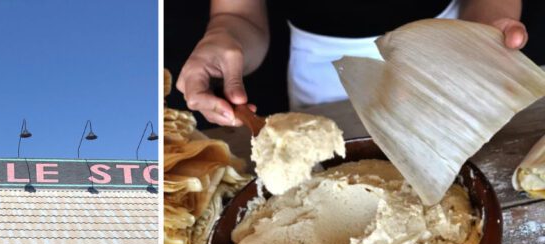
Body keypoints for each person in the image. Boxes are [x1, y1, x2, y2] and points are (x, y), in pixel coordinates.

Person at [177, 0, 529, 123]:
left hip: (448, 55)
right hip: (326, 76)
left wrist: (486, 31)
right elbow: (240, 15)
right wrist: (225, 38)